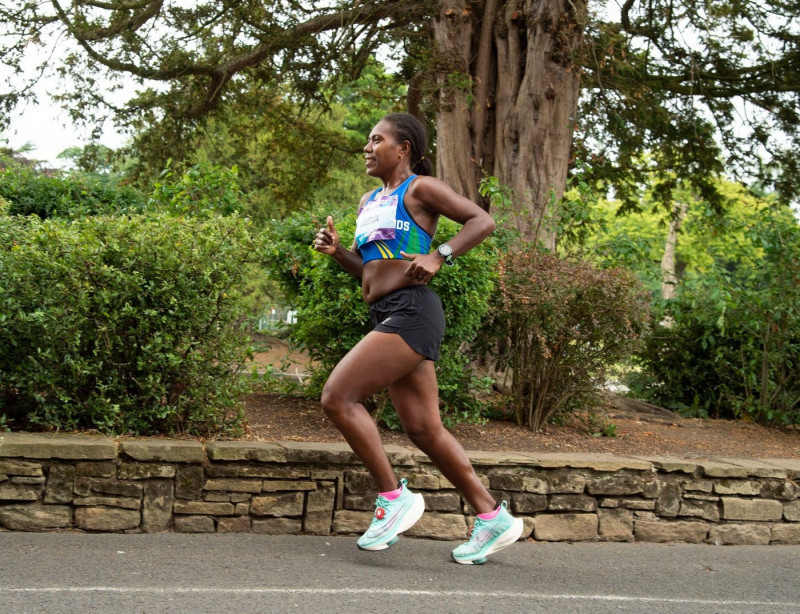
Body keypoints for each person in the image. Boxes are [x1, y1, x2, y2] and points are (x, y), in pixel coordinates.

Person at [313, 112, 523, 564]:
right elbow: (371, 273)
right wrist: (339, 254)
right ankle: (492, 517)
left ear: (403, 147)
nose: (368, 147)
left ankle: (394, 497)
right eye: (367, 140)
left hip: (413, 311)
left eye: (377, 139)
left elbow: (481, 221)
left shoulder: (420, 188)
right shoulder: (370, 200)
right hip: (388, 310)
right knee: (424, 428)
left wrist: (439, 254)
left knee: (337, 397)